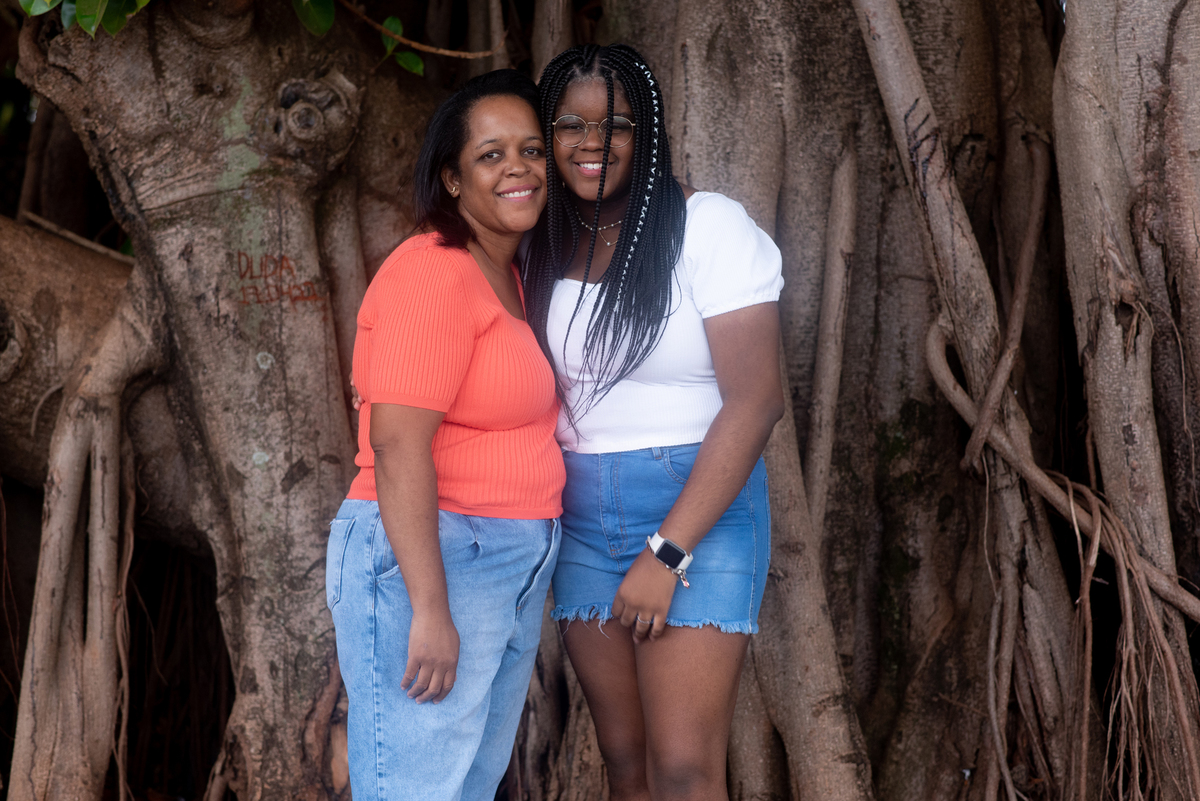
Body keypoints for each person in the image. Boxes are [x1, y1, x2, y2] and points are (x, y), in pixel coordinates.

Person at [522, 45, 786, 800]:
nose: (591, 143)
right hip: (580, 518)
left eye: (616, 125)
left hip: (696, 512)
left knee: (683, 767)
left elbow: (757, 400)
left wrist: (666, 553)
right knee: (626, 760)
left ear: (649, 133)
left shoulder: (708, 228)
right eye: (569, 125)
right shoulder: (541, 239)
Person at [325, 70, 564, 801]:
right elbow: (397, 443)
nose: (518, 167)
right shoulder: (433, 272)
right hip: (438, 558)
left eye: (531, 150)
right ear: (452, 180)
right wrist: (430, 607)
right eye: (491, 155)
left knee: (462, 786)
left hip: (505, 562)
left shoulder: (507, 275)